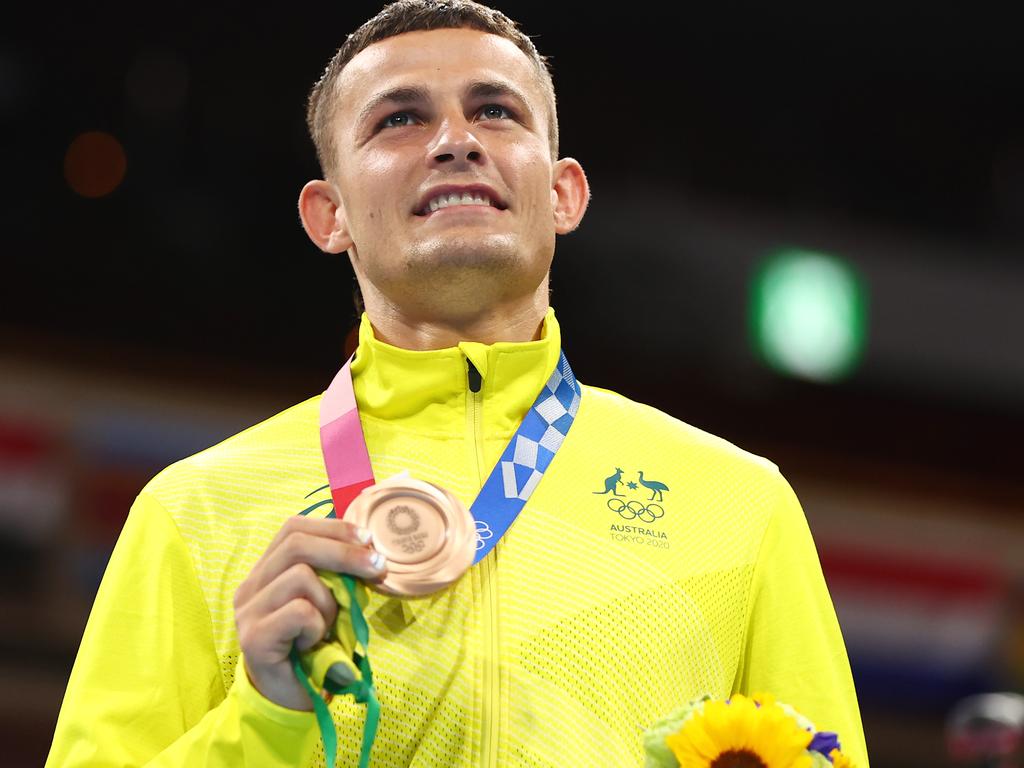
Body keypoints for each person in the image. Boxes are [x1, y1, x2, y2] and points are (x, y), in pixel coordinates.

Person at [46, 1, 869, 766]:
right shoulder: (192, 512)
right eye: (400, 119)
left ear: (563, 193)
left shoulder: (739, 503)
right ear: (327, 216)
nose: (455, 140)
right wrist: (263, 715)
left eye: (496, 111)